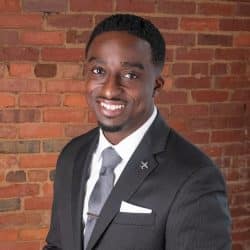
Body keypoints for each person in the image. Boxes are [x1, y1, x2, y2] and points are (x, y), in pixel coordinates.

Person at [43, 14, 231, 250]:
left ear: (156, 85)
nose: (110, 90)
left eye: (130, 75)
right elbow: (57, 244)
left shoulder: (195, 177)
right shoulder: (72, 155)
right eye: (98, 71)